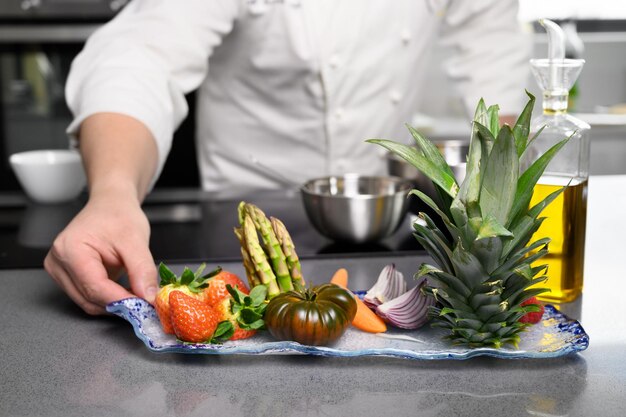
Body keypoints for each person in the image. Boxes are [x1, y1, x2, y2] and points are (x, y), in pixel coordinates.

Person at [45, 0, 532, 314]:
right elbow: (139, 55)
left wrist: (501, 197)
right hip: (241, 225)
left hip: (380, 224)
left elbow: (494, 52)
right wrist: (112, 193)